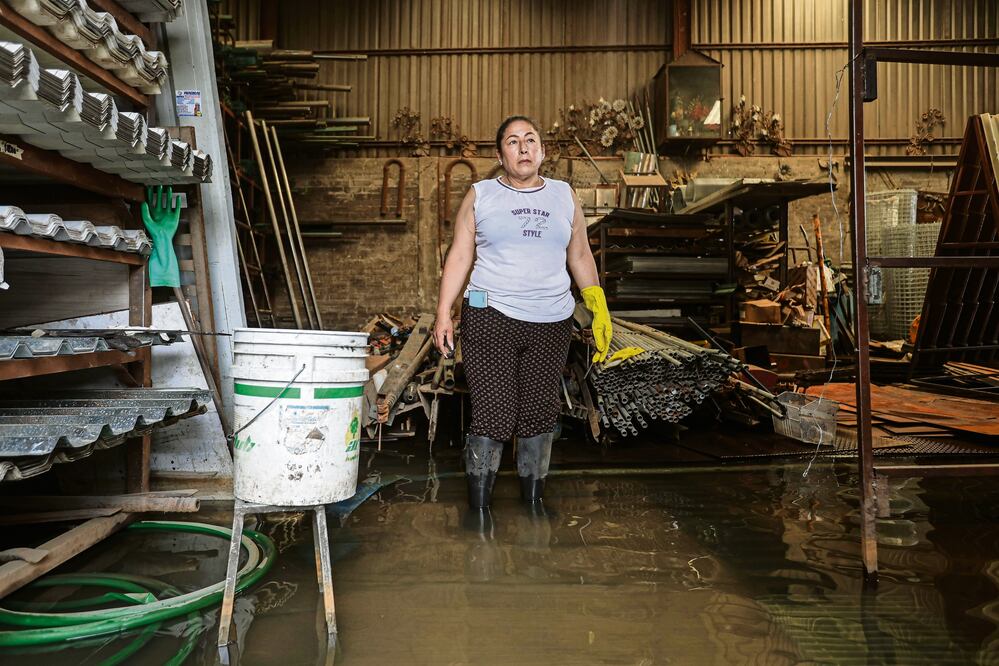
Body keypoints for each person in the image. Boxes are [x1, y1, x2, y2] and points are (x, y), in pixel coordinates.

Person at [433, 115, 612, 514]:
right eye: (512, 142)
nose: (523, 147)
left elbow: (580, 254)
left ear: (542, 151)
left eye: (530, 139)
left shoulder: (563, 195)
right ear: (501, 156)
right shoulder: (481, 194)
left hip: (552, 320)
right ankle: (479, 512)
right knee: (494, 412)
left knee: (540, 412)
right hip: (491, 316)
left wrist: (597, 306)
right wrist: (443, 312)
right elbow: (460, 255)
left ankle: (533, 505)